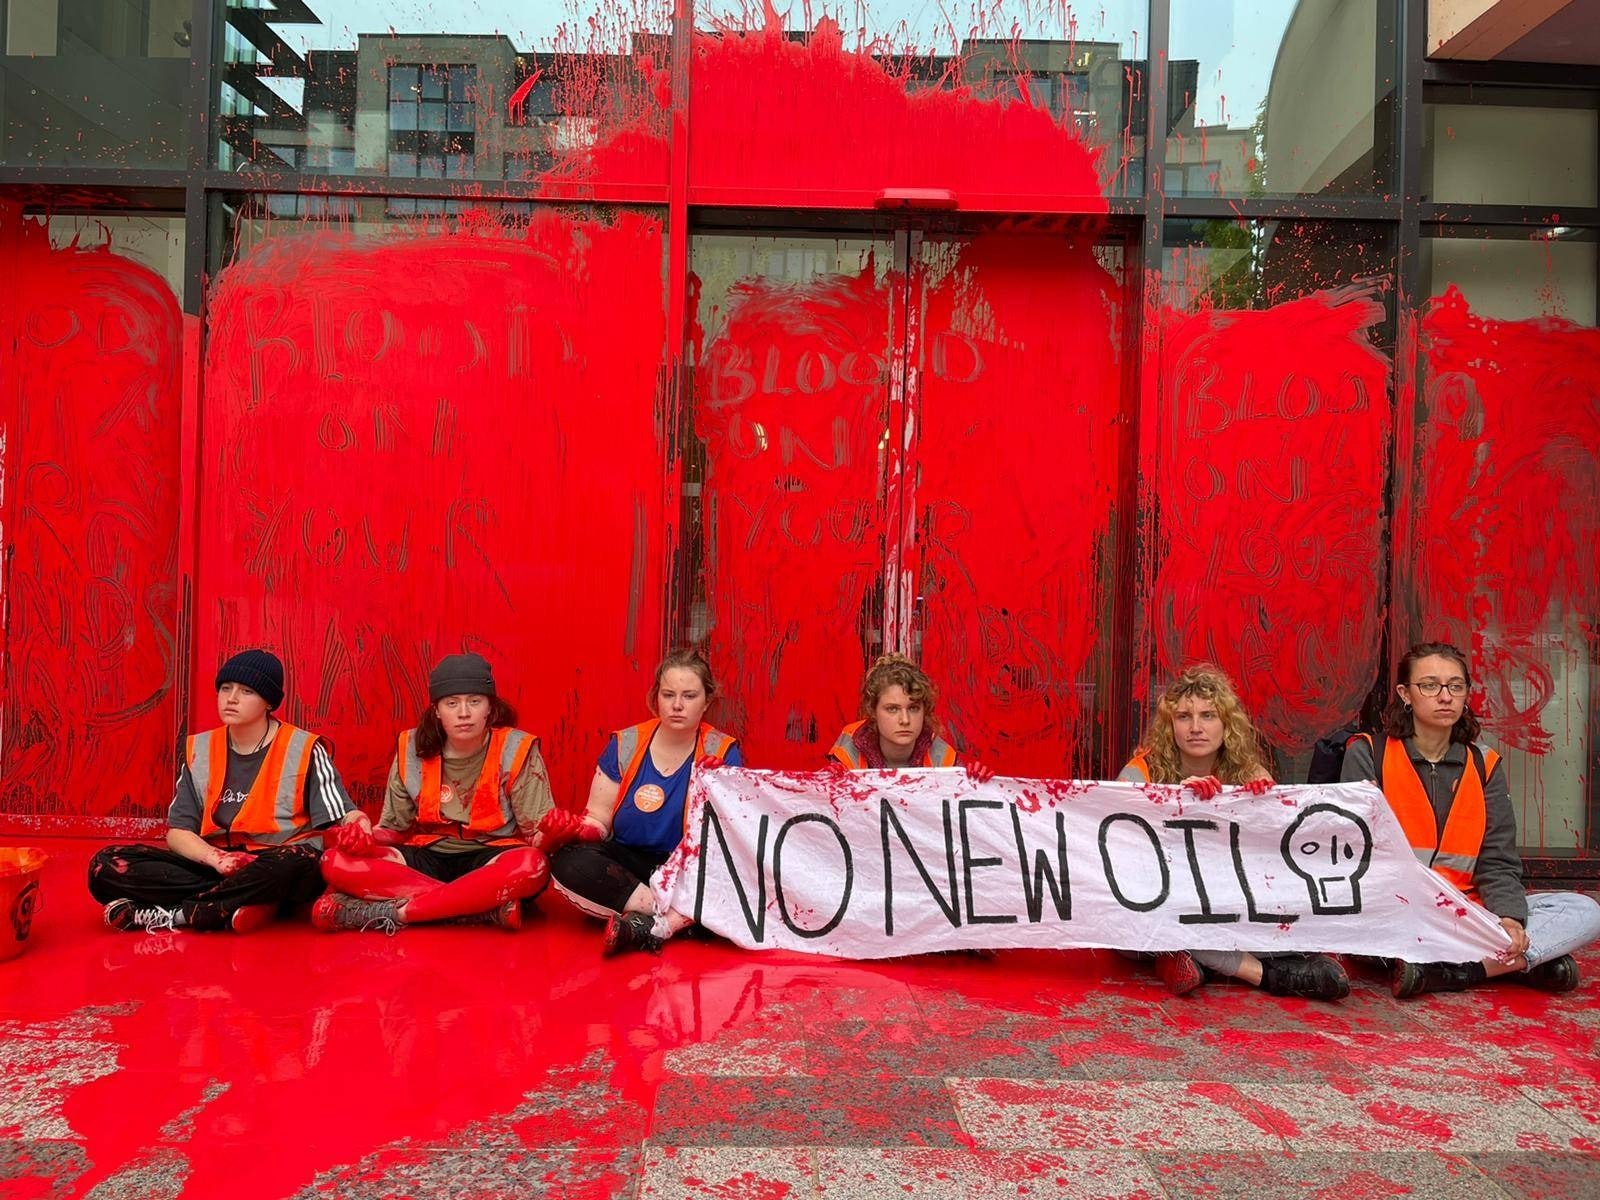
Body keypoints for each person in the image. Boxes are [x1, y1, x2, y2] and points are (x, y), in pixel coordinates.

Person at [1343, 641, 1600, 997]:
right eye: (1430, 685)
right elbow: (1353, 856)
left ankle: (1463, 971)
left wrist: (1509, 920)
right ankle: (1519, 964)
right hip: (1394, 914)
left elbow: (1497, 860)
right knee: (1358, 936)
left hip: (1466, 915)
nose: (1445, 696)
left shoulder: (1484, 764)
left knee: (1583, 909)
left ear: (1466, 694)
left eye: (1456, 686)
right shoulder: (1369, 753)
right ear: (1405, 693)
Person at [88, 649, 363, 933]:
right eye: (225, 688)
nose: (231, 698)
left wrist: (358, 822)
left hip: (276, 862)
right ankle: (246, 903)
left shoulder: (304, 748)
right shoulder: (202, 750)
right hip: (219, 864)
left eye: (246, 691)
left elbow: (340, 817)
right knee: (106, 864)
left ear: (269, 701)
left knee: (301, 862)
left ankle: (179, 914)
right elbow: (178, 832)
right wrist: (217, 859)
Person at [1119, 664, 1350, 1001]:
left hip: (1221, 899)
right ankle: (1266, 974)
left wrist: (1266, 804)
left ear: (1228, 725)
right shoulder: (1139, 772)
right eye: (1184, 717)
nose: (1196, 727)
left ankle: (1188, 961)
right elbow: (1119, 853)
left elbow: (1271, 857)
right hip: (1160, 901)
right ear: (1170, 727)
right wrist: (1176, 804)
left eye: (1209, 715)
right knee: (1166, 919)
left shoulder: (1247, 771)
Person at [312, 652, 555, 932]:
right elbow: (395, 829)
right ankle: (476, 909)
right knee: (334, 862)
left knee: (532, 865)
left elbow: (537, 837)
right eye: (452, 703)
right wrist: (364, 835)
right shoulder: (412, 748)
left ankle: (402, 913)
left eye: (474, 701)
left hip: (492, 857)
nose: (464, 713)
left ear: (490, 707)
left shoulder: (516, 748)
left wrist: (555, 831)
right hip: (426, 855)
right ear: (437, 710)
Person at [542, 649, 741, 956]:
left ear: (707, 702)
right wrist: (573, 829)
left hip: (688, 868)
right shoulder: (626, 743)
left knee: (741, 882)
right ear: (655, 698)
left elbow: (733, 838)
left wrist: (720, 788)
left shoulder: (723, 751)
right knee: (569, 860)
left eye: (689, 696)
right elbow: (599, 822)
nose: (677, 705)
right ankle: (672, 918)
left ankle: (644, 922)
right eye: (668, 694)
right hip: (631, 866)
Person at [825, 653, 993, 780]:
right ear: (873, 712)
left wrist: (974, 783)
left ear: (924, 711)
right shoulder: (849, 751)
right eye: (892, 709)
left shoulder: (941, 757)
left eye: (913, 708)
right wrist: (828, 784)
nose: (905, 720)